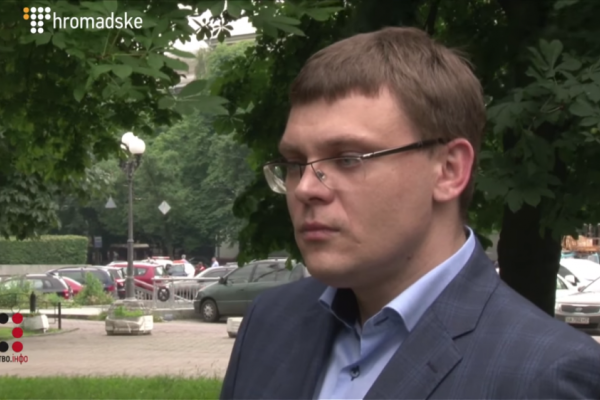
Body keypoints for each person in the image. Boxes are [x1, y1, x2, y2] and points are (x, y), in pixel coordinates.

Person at [220, 27, 600, 399]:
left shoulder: (547, 376)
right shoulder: (269, 323)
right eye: (294, 163)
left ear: (449, 170)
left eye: (348, 159)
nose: (305, 188)